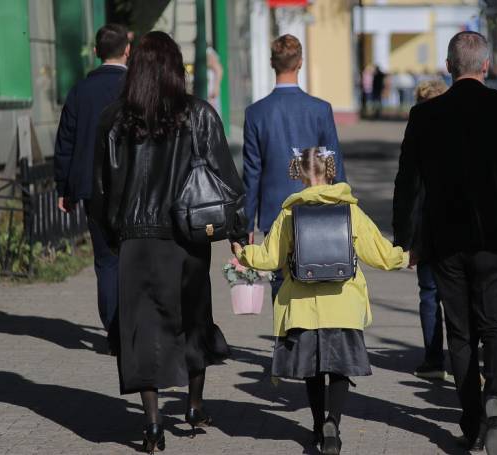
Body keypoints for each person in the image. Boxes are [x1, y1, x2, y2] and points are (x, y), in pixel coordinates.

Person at [90, 31, 247, 453]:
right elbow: (226, 181)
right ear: (177, 69)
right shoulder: (198, 114)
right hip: (187, 238)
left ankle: (153, 423)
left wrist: (112, 235)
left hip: (136, 242)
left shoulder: (114, 120)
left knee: (141, 331)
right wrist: (239, 234)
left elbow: (101, 188)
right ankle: (194, 407)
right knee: (192, 322)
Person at [393, 31, 497, 455]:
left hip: (445, 239)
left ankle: (471, 421)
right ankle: (496, 395)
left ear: (449, 66)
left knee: (460, 336)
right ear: (485, 66)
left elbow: (407, 181)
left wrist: (404, 237)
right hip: (496, 235)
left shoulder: (423, 115)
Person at [233, 147, 407, 455]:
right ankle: (333, 424)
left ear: (300, 174)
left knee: (313, 371)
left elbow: (270, 257)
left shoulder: (290, 212)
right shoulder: (350, 210)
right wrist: (406, 257)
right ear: (329, 170)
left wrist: (242, 254)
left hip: (302, 306)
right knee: (339, 369)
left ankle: (316, 426)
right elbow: (378, 254)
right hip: (343, 303)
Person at [243, 34, 346, 303]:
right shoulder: (320, 109)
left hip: (274, 211)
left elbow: (252, 173)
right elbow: (333, 164)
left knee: (280, 280)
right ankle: (310, 340)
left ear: (270, 63)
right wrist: (344, 209)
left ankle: (283, 341)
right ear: (300, 62)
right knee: (316, 278)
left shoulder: (256, 113)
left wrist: (246, 224)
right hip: (317, 207)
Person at [53, 24, 130, 353]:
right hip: (131, 189)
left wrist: (64, 188)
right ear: (127, 50)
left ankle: (114, 334)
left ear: (97, 52)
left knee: (106, 263)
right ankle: (134, 332)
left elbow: (65, 143)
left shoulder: (80, 90)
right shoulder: (134, 88)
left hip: (90, 190)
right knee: (134, 260)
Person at [402, 79, 451, 380]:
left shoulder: (416, 138)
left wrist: (406, 239)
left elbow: (408, 192)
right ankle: (466, 361)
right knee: (461, 296)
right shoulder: (460, 135)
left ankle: (433, 360)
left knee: (430, 294)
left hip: (426, 230)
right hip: (458, 229)